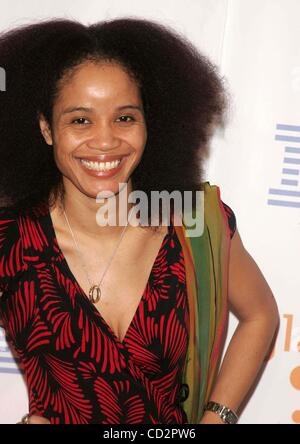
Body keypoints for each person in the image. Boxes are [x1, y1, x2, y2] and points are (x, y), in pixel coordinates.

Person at [0, 17, 279, 425]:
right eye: (80, 120)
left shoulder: (194, 224)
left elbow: (260, 315)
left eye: (125, 118)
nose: (105, 140)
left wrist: (216, 419)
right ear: (46, 128)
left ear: (153, 125)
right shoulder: (10, 238)